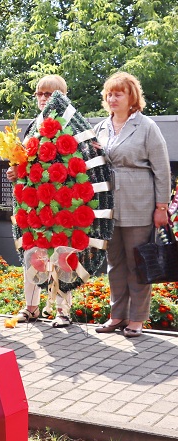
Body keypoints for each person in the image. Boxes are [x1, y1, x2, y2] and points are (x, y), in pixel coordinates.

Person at [92, 72, 170, 338]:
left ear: (131, 97)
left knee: (138, 262)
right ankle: (117, 315)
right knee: (114, 263)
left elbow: (162, 169)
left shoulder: (146, 126)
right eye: (109, 94)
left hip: (139, 204)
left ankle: (137, 318)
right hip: (108, 206)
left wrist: (162, 207)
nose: (112, 98)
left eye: (118, 94)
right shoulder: (101, 127)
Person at [7, 75, 76, 327]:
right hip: (33, 204)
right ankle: (31, 307)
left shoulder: (70, 125)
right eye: (40, 94)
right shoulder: (32, 125)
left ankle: (62, 311)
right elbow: (23, 163)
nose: (44, 99)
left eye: (50, 94)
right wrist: (15, 172)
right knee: (33, 254)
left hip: (61, 204)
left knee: (62, 255)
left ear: (62, 96)